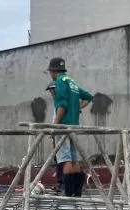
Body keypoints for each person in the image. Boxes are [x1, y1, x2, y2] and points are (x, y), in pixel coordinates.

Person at [48, 57, 93, 197]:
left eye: (50, 71)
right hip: (74, 126)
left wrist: (55, 126)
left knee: (65, 158)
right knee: (74, 158)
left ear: (53, 71)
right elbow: (88, 97)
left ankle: (67, 192)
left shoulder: (60, 82)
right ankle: (77, 191)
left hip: (63, 126)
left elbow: (62, 105)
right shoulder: (71, 82)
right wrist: (77, 107)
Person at [46, 81, 63, 192]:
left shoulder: (61, 101)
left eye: (52, 90)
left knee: (63, 159)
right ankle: (60, 183)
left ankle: (63, 184)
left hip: (61, 133)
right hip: (57, 133)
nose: (51, 93)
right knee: (58, 159)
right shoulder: (56, 101)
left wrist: (54, 128)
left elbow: (59, 116)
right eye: (51, 91)